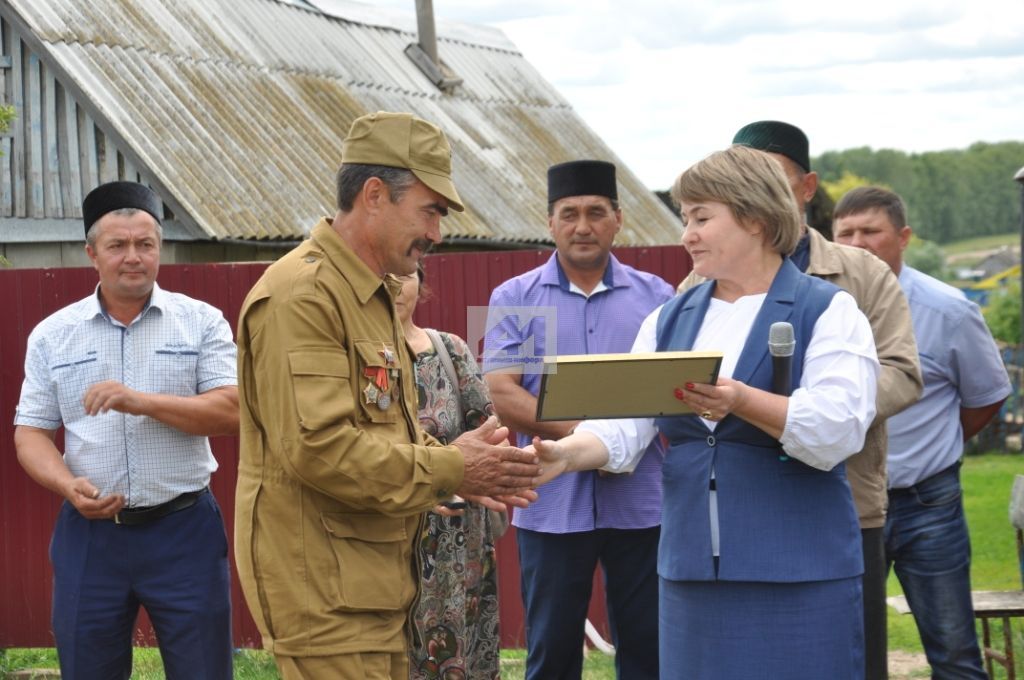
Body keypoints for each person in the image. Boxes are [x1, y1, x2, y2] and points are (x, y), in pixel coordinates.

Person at [531, 145, 880, 679]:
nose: (686, 234)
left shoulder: (828, 310)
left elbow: (838, 428)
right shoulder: (669, 319)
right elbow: (625, 424)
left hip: (800, 571)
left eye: (701, 217)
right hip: (691, 576)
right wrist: (563, 454)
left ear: (757, 219)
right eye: (685, 218)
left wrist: (742, 399)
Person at [233, 111, 540, 680]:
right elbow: (319, 448)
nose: (437, 234)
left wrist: (475, 461)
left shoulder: (366, 295)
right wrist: (453, 467)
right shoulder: (304, 296)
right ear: (374, 195)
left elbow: (379, 427)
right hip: (325, 596)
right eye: (430, 211)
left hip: (371, 586)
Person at [679, 120, 922, 680]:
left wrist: (810, 404)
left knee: (843, 654)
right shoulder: (696, 288)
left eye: (773, 177)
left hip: (845, 495)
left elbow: (904, 373)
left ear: (805, 189)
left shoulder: (858, 274)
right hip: (731, 508)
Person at [13, 181, 239, 679]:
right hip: (90, 536)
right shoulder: (53, 334)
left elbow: (232, 411)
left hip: (185, 531)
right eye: (117, 245)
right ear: (92, 253)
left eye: (145, 244)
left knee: (204, 670)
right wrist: (66, 484)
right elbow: (30, 432)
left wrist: (140, 401)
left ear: (160, 248)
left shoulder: (201, 323)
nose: (133, 257)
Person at [483, 159, 672, 680]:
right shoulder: (513, 298)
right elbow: (502, 394)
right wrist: (591, 438)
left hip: (643, 501)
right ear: (550, 222)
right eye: (569, 214)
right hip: (549, 499)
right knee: (551, 649)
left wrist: (613, 442)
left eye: (595, 212)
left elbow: (670, 389)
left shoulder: (658, 297)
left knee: (650, 647)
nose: (582, 226)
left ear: (618, 218)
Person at [834, 186, 1011, 679]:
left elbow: (987, 397)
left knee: (953, 649)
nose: (858, 243)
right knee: (850, 651)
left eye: (871, 231)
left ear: (904, 237)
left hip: (927, 504)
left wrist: (937, 446)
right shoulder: (821, 309)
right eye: (846, 233)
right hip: (845, 502)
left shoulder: (948, 310)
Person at [396, 264, 507, 680]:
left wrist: (476, 474)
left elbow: (490, 431)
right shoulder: (349, 356)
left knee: (462, 653)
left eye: (406, 275)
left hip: (457, 543)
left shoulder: (450, 350)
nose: (395, 287)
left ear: (421, 285)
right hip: (390, 531)